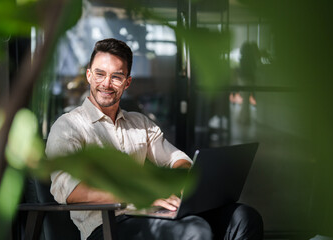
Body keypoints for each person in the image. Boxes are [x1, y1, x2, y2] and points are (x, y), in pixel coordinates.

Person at [46, 38, 263, 240]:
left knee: (243, 217)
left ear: (127, 82)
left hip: (153, 214)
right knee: (194, 230)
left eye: (117, 77)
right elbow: (72, 191)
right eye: (100, 74)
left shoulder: (139, 123)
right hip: (107, 226)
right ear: (89, 76)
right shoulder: (68, 126)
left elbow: (179, 161)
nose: (107, 83)